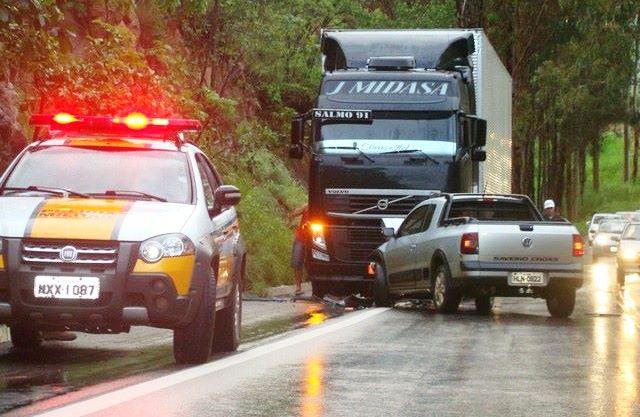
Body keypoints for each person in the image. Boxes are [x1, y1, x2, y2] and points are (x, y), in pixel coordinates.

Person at [289, 204, 309, 295]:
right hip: (301, 237)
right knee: (297, 260)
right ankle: (298, 286)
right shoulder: (307, 206)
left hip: (317, 238)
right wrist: (303, 207)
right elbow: (293, 213)